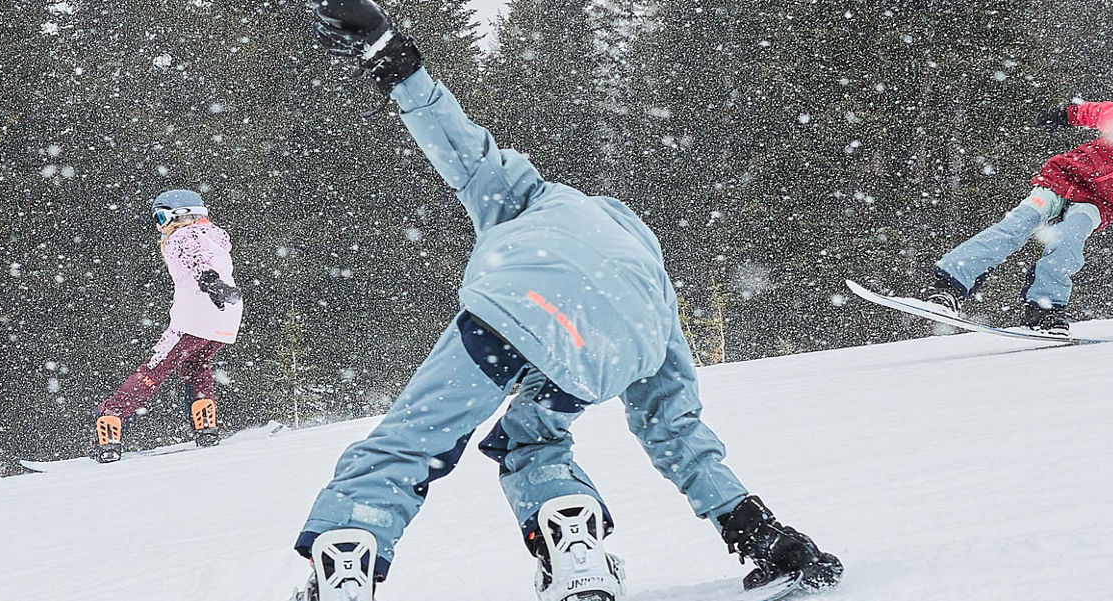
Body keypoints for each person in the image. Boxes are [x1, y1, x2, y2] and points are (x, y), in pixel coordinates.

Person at [292, 3, 841, 600]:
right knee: (533, 441)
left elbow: (459, 144)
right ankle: (575, 555)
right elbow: (673, 424)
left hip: (514, 305)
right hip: (607, 349)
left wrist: (388, 53)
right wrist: (754, 527)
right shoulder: (651, 287)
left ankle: (349, 559)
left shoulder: (536, 198)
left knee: (407, 445)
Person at [915, 97, 1113, 335]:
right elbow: (1095, 112)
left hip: (1097, 204)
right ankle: (948, 286)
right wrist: (1064, 115)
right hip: (1063, 179)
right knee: (1018, 224)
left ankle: (1044, 308)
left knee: (1069, 239)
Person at [89, 189, 245, 462]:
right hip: (224, 320)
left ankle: (110, 423)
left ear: (181, 214)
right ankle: (205, 425)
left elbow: (199, 262)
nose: (160, 225)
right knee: (196, 365)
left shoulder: (182, 236)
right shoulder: (216, 236)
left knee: (153, 370)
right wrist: (218, 288)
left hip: (192, 319)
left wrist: (211, 283)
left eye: (161, 216)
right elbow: (206, 259)